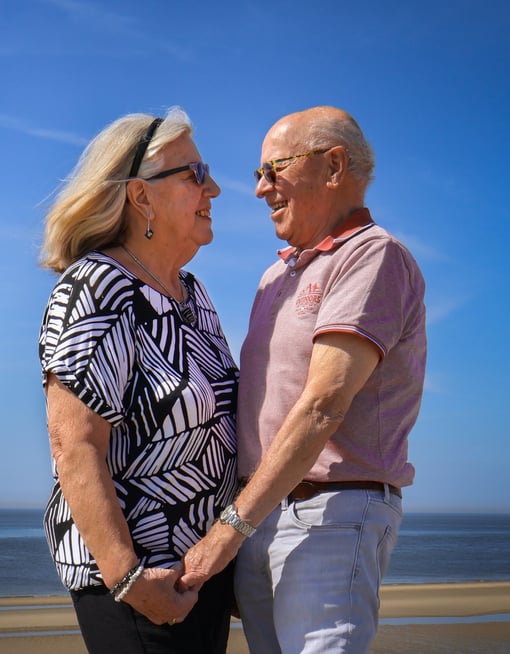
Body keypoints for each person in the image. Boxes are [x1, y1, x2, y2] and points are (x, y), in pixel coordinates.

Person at [182, 106, 427, 653]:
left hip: (331, 512)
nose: (260, 189)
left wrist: (227, 533)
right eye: (258, 174)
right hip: (265, 512)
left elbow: (323, 405)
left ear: (334, 166)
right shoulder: (277, 274)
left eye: (275, 169)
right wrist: (246, 528)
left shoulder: (373, 256)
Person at [38, 107, 239, 654]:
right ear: (141, 196)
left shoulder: (193, 295)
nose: (215, 188)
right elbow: (74, 443)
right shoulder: (98, 286)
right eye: (195, 174)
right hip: (138, 587)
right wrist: (128, 577)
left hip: (200, 577)